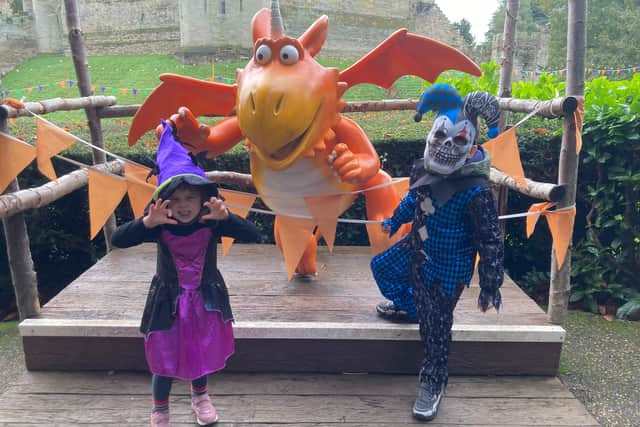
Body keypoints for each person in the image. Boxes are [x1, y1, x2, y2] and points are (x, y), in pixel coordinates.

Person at [370, 84, 504, 421]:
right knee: (383, 268)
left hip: (447, 270)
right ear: (432, 132)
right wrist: (393, 220)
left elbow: (490, 239)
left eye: (458, 140)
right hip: (417, 250)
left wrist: (490, 283)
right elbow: (414, 199)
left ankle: (433, 382)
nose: (446, 145)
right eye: (441, 135)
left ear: (472, 144)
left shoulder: (476, 192)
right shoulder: (425, 170)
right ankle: (412, 307)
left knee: (436, 328)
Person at [111, 120, 259, 427]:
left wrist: (228, 217)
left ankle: (200, 396)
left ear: (203, 198)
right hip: (168, 301)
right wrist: (146, 224)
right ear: (164, 202)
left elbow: (254, 234)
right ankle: (159, 407)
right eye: (175, 200)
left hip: (205, 299)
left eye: (189, 198)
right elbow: (118, 239)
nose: (183, 206)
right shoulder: (160, 223)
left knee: (201, 347)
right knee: (163, 355)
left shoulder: (212, 220)